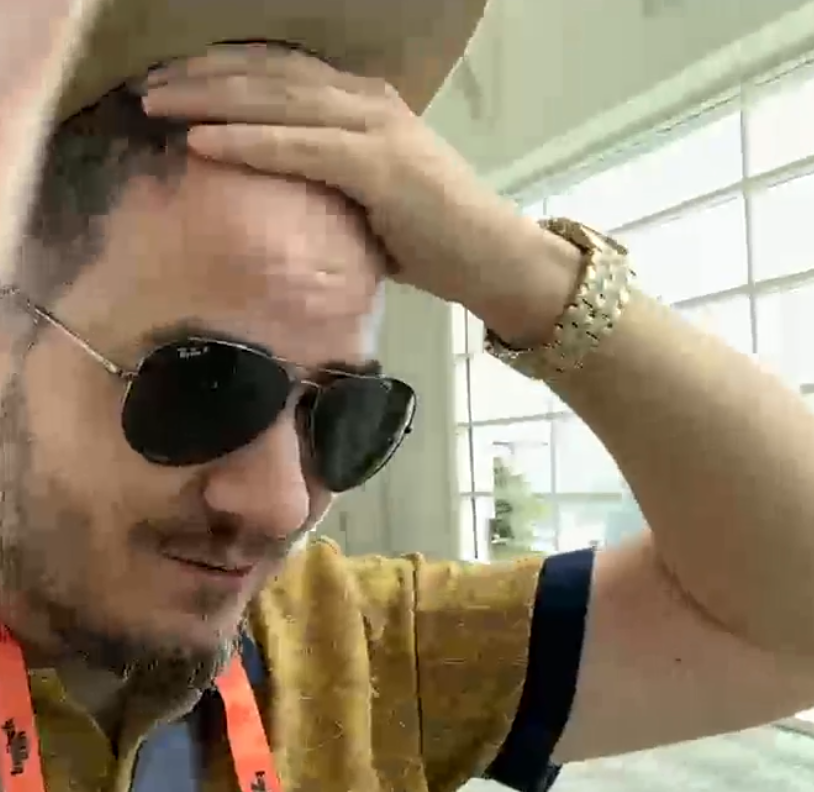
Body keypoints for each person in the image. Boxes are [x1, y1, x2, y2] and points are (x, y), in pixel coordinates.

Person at [2, 1, 814, 792]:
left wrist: (525, 274)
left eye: (342, 414)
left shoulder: (358, 648)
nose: (285, 504)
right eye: (203, 385)